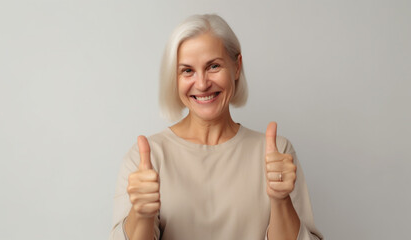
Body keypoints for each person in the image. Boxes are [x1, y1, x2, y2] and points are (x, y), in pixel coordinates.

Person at [109, 14, 323, 240]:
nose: (202, 84)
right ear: (175, 77)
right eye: (187, 70)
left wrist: (281, 201)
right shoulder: (146, 159)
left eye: (213, 66)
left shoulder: (277, 154)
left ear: (237, 67)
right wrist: (141, 215)